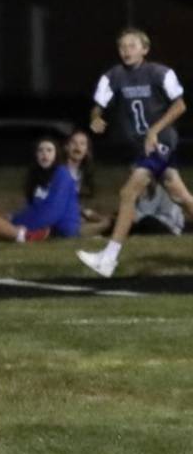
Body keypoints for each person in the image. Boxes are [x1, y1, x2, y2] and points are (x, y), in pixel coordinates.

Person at [77, 28, 190, 278]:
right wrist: (95, 118)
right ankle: (108, 258)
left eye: (132, 46)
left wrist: (155, 130)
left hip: (161, 142)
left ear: (145, 49)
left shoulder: (160, 73)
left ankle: (108, 258)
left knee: (128, 192)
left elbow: (180, 105)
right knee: (181, 197)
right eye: (122, 47)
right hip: (142, 148)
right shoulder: (113, 76)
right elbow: (97, 107)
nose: (126, 51)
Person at [11, 137, 84, 239]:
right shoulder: (36, 175)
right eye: (40, 150)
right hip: (45, 225)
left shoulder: (62, 174)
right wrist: (14, 219)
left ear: (56, 154)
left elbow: (53, 212)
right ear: (35, 154)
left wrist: (14, 225)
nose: (45, 154)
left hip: (63, 230)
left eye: (49, 150)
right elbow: (33, 208)